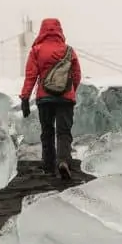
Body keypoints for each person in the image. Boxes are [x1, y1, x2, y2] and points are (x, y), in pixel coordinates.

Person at [19, 18, 82, 179]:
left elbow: (31, 76)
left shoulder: (37, 50)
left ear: (42, 30)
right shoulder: (68, 50)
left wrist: (25, 98)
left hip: (45, 99)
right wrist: (70, 90)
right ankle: (63, 161)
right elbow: (76, 75)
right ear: (59, 30)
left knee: (47, 132)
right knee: (64, 132)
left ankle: (48, 166)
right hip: (65, 99)